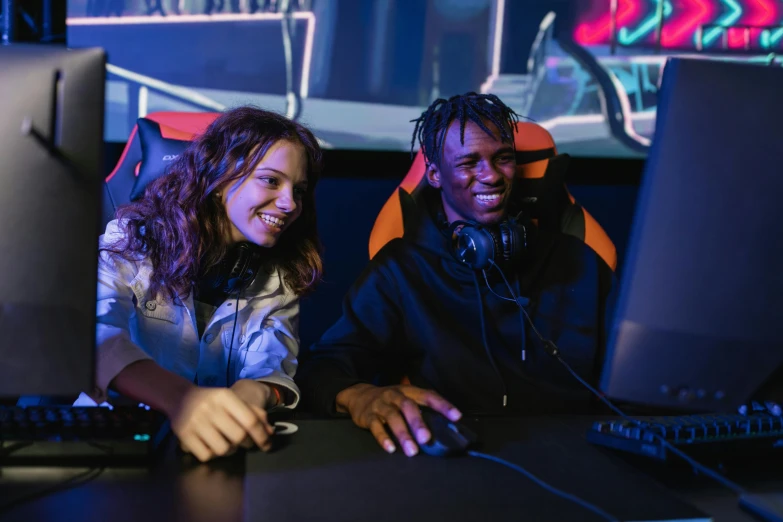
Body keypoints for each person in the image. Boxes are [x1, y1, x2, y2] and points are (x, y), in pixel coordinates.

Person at [296, 93, 615, 457]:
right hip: (461, 457)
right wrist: (362, 396)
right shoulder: (401, 271)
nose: (491, 175)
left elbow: (642, 369)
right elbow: (322, 368)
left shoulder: (577, 260)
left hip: (577, 454)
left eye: (503, 158)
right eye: (468, 163)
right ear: (434, 174)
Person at [86, 106, 323, 462]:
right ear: (221, 178)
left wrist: (250, 396)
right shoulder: (131, 239)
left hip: (215, 450)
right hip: (112, 445)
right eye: (271, 180)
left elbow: (273, 368)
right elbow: (94, 334)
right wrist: (182, 400)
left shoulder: (279, 271)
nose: (290, 203)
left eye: (299, 190)